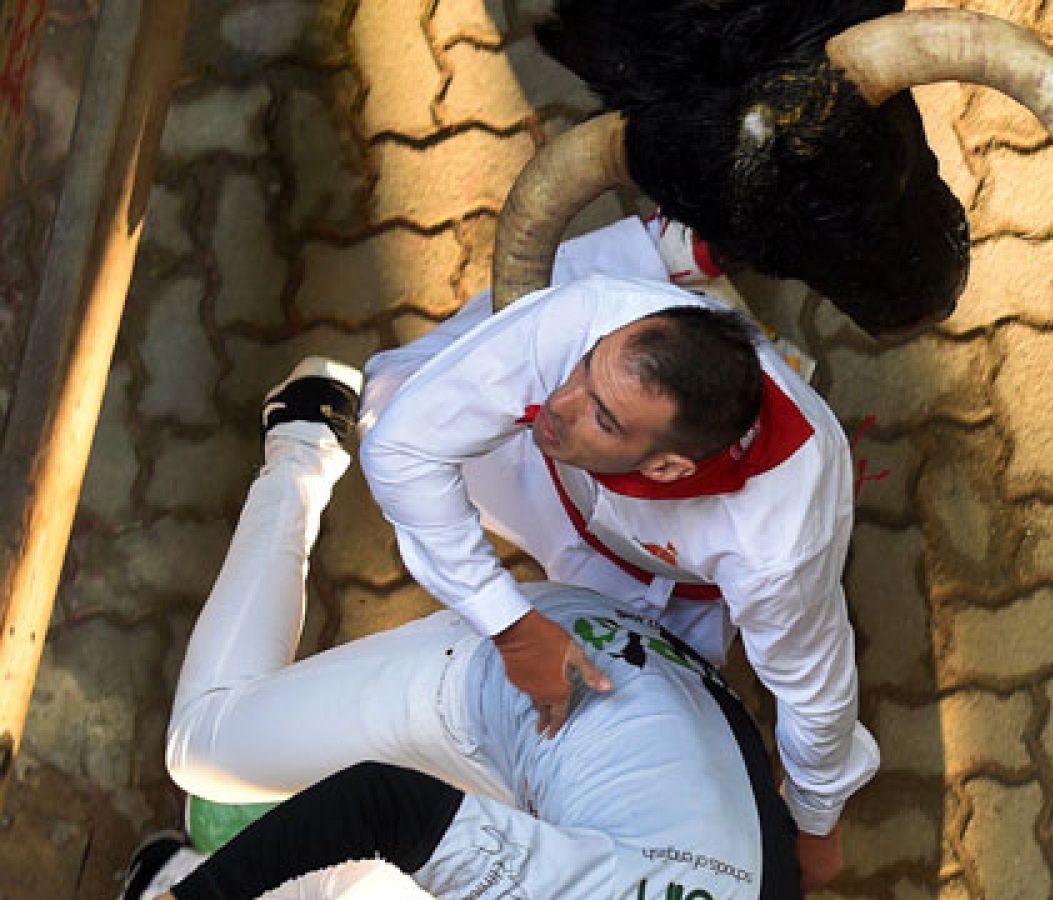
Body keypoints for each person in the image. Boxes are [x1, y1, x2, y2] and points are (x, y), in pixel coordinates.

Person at [144, 356, 800, 898]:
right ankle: (302, 445)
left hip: (671, 708)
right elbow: (382, 805)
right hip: (536, 678)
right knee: (204, 747)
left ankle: (178, 873)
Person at [357, 217, 878, 883]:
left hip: (657, 577)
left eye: (601, 415)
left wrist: (814, 817)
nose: (558, 403)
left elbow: (813, 686)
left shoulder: (779, 539)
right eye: (582, 372)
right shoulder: (593, 320)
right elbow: (401, 451)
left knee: (626, 700)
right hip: (545, 477)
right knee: (387, 401)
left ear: (666, 470)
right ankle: (662, 248)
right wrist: (513, 629)